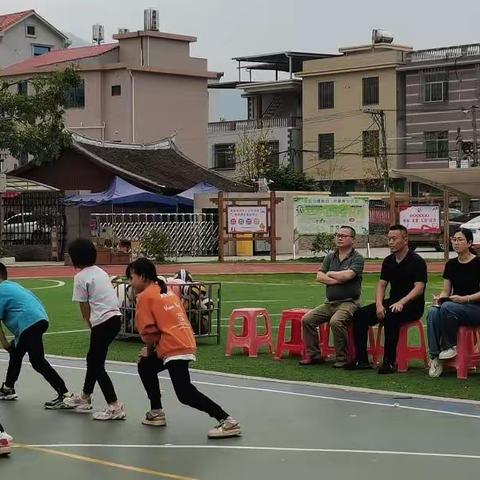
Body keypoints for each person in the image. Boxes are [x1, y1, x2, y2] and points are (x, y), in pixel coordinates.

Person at [127, 258, 241, 438]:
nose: (130, 283)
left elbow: (148, 332)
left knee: (185, 393)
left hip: (174, 347)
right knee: (146, 366)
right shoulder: (165, 291)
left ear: (142, 277)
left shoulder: (145, 297)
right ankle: (156, 412)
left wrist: (148, 350)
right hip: (183, 340)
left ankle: (227, 420)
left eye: (131, 277)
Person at [347, 224, 427, 374]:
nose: (390, 242)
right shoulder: (388, 261)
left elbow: (419, 288)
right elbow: (382, 285)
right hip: (392, 302)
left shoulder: (417, 261)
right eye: (389, 239)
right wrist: (378, 305)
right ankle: (361, 360)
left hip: (412, 306)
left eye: (394, 239)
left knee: (391, 317)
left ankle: (389, 362)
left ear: (405, 240)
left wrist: (402, 302)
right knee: (360, 315)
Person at [63, 239, 126, 421]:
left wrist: (90, 323)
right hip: (114, 318)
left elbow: (84, 305)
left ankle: (114, 405)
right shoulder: (100, 272)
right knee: (93, 359)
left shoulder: (80, 277)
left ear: (75, 258)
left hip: (102, 321)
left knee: (96, 364)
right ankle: (85, 396)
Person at [0, 263, 72, 408]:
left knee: (37, 361)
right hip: (38, 319)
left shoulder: (1, 289)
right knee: (16, 353)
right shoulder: (13, 286)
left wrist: (4, 343)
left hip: (29, 323)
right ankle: (8, 388)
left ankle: (65, 395)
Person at [300, 226, 365, 368]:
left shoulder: (357, 258)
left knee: (336, 322)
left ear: (353, 240)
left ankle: (343, 357)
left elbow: (349, 275)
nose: (340, 238)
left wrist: (329, 273)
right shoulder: (330, 256)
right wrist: (338, 278)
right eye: (338, 235)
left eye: (344, 235)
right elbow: (319, 276)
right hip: (330, 303)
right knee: (307, 320)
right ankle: (314, 355)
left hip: (349, 303)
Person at [427, 229, 480, 373]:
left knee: (448, 307)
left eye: (460, 240)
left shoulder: (478, 263)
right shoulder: (451, 265)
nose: (456, 243)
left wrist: (465, 299)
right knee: (433, 311)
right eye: (454, 240)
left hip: (475, 308)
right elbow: (446, 290)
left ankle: (449, 346)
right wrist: (440, 298)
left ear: (469, 243)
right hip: (453, 307)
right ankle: (435, 357)